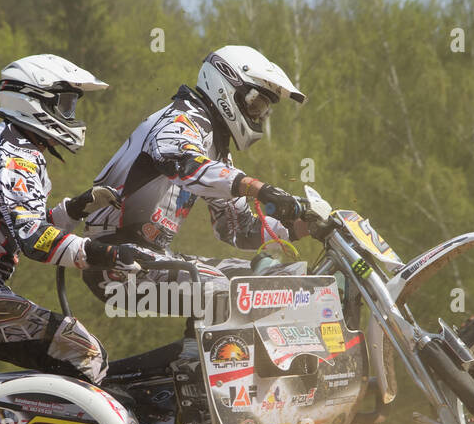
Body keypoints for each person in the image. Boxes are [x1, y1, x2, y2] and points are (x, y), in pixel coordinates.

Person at [0, 54, 151, 384]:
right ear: (35, 101)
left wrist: (74, 210)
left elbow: (23, 230)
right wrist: (106, 254)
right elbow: (36, 240)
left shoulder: (12, 145)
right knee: (83, 352)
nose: (72, 115)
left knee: (77, 354)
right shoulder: (15, 156)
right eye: (65, 105)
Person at [52, 44, 312, 305]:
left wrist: (301, 226)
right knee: (234, 291)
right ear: (228, 87)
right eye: (256, 105)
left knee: (271, 281)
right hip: (114, 260)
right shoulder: (180, 119)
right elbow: (184, 164)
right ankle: (207, 347)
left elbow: (237, 227)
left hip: (153, 258)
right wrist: (258, 188)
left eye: (264, 111)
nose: (259, 116)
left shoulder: (214, 146)